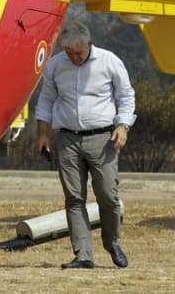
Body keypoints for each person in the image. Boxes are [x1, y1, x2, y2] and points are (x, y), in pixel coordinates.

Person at [34, 21, 135, 270]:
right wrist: (42, 134)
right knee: (74, 198)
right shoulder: (56, 65)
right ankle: (83, 255)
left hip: (103, 139)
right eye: (69, 53)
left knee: (108, 197)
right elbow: (46, 99)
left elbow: (126, 96)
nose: (74, 58)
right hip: (67, 139)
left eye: (78, 53)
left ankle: (112, 242)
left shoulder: (109, 61)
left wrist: (122, 126)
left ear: (89, 44)